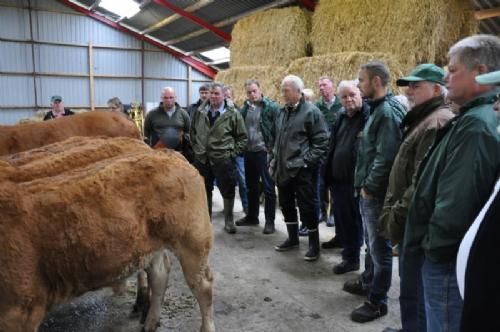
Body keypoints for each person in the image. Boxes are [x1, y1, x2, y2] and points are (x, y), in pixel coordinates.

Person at [403, 34, 500, 332]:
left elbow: (457, 202)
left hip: (444, 259)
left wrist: (434, 248)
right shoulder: (469, 119)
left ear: (480, 72)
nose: (446, 76)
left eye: (453, 69)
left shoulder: (475, 125)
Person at [379, 64, 454, 332]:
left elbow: (420, 181)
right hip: (409, 218)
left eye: (416, 85)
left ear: (436, 89)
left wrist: (396, 215)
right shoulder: (423, 118)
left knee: (416, 287)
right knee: (410, 284)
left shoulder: (437, 121)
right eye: (408, 86)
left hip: (416, 220)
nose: (409, 91)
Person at [343, 61, 406, 323]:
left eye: (362, 80)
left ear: (376, 82)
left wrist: (369, 187)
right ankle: (369, 281)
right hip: (368, 191)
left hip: (376, 194)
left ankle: (377, 301)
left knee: (380, 250)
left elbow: (386, 157)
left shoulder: (387, 113)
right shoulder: (377, 109)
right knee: (371, 245)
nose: (358, 85)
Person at [269, 75, 329, 261]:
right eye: (282, 90)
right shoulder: (282, 112)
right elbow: (276, 138)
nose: (283, 94)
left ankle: (313, 245)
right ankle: (293, 238)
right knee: (286, 204)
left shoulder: (311, 112)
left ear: (298, 91)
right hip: (283, 168)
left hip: (302, 170)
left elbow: (322, 141)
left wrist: (306, 162)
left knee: (307, 207)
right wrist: (273, 159)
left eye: (286, 90)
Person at [190, 82, 248, 234]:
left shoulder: (232, 113)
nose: (213, 96)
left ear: (224, 95)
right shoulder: (200, 111)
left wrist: (231, 154)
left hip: (223, 159)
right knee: (204, 188)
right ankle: (206, 221)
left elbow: (242, 138)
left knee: (227, 189)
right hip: (203, 158)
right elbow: (193, 132)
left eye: (217, 94)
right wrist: (197, 149)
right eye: (211, 93)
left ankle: (228, 220)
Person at [323, 80, 368, 274]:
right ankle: (341, 239)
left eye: (352, 95)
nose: (349, 99)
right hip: (338, 177)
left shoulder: (367, 116)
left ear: (361, 95)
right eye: (344, 96)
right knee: (340, 215)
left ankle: (351, 258)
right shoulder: (341, 116)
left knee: (353, 220)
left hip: (354, 180)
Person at [235, 79, 279, 234]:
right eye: (249, 92)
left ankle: (270, 222)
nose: (252, 94)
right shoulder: (245, 109)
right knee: (251, 186)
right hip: (249, 151)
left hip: (264, 151)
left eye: (254, 91)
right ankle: (252, 216)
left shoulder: (271, 107)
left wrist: (273, 150)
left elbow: (278, 129)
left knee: (268, 187)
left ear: (260, 90)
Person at [143, 87, 192, 160]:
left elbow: (189, 132)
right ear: (161, 98)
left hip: (179, 154)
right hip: (158, 154)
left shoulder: (183, 114)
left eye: (171, 97)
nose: (168, 100)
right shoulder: (152, 114)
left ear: (175, 98)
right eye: (165, 98)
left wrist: (182, 140)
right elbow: (146, 133)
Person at [223, 85, 248, 214]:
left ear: (233, 96)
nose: (227, 98)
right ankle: (228, 210)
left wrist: (237, 149)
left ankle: (246, 208)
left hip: (237, 152)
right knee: (227, 181)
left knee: (243, 180)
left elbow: (242, 133)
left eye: (229, 96)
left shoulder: (239, 111)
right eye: (225, 96)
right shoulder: (220, 112)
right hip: (224, 152)